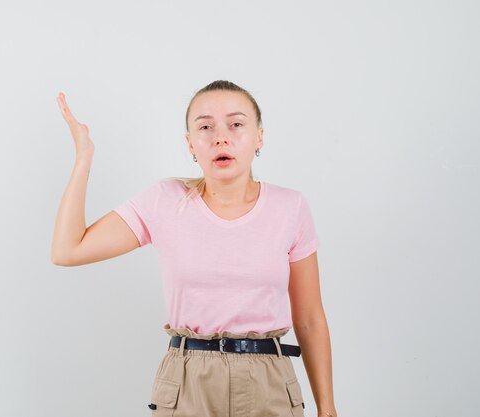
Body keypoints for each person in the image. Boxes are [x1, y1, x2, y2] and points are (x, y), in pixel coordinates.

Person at [51, 80, 337, 417]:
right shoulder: (165, 200)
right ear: (190, 144)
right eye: (205, 126)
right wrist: (84, 156)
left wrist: (327, 408)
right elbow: (68, 250)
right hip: (188, 379)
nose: (221, 136)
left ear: (259, 136)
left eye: (236, 124)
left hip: (269, 381)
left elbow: (309, 319)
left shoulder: (290, 207)